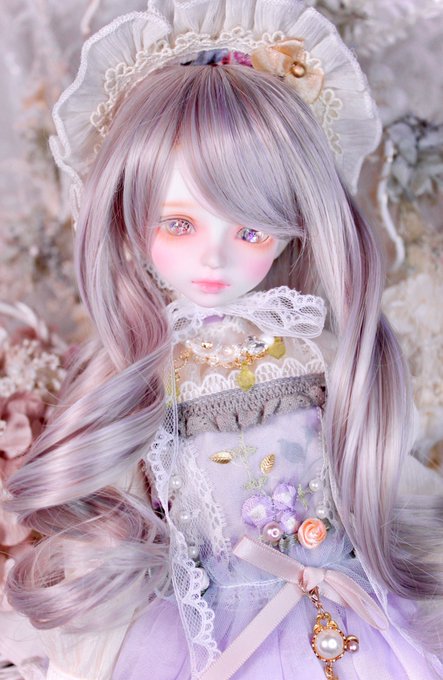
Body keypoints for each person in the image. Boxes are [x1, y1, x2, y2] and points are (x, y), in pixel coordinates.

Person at [5, 1, 443, 678]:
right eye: (178, 224)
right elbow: (114, 512)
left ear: (294, 228)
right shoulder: (141, 374)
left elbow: (393, 485)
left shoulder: (315, 352)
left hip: (344, 615)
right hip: (201, 633)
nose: (214, 258)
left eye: (250, 230)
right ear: (127, 219)